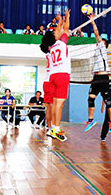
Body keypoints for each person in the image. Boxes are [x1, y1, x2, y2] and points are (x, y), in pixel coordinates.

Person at [40, 9, 71, 141]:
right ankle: (56, 129)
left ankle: (53, 127)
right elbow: (66, 28)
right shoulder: (61, 42)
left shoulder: (51, 47)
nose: (57, 30)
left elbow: (61, 28)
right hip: (62, 75)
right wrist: (66, 17)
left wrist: (60, 20)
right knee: (59, 104)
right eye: (55, 32)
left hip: (53, 76)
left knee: (55, 104)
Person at [84, 12, 111, 134]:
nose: (99, 40)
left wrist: (92, 20)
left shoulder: (102, 46)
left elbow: (96, 33)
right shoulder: (97, 51)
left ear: (104, 43)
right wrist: (92, 77)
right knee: (90, 99)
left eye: (101, 40)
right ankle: (90, 120)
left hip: (104, 77)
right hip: (96, 77)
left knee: (108, 101)